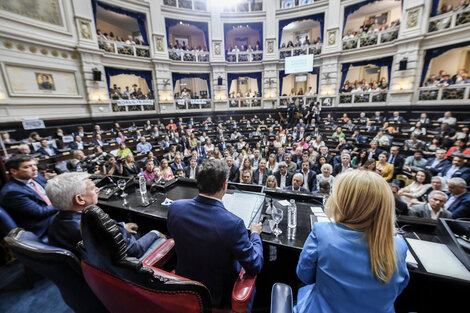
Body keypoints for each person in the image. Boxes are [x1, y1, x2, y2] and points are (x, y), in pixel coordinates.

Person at [295, 170, 409, 313]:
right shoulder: (399, 246)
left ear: (343, 202)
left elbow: (304, 276)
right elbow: (397, 289)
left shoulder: (322, 232)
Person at [167, 160, 263, 309]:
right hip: (216, 299)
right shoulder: (234, 224)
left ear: (198, 182)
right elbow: (254, 265)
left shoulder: (175, 208)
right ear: (225, 185)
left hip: (183, 287)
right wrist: (255, 235)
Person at [46, 172, 166, 257]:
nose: (98, 190)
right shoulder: (98, 227)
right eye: (93, 188)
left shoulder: (54, 224)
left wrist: (121, 226)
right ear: (80, 199)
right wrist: (155, 232)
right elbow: (135, 250)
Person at [0, 155, 56, 239]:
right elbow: (41, 212)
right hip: (42, 225)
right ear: (14, 171)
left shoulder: (36, 177)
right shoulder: (12, 192)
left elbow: (50, 189)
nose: (34, 169)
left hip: (52, 213)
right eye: (27, 167)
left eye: (34, 165)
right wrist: (63, 202)